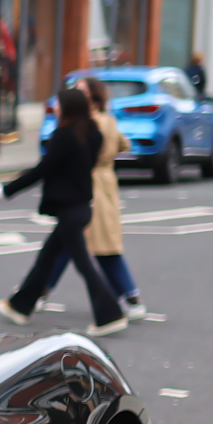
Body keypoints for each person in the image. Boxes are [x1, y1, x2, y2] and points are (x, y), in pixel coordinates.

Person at [0, 85, 128, 334]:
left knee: (83, 264)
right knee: (46, 258)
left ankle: (110, 315)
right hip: (81, 207)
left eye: (58, 104)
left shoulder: (64, 137)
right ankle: (20, 306)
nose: (54, 108)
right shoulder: (93, 134)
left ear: (68, 108)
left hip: (69, 211)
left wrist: (8, 190)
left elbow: (43, 170)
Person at [42, 77, 149, 319]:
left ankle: (130, 297)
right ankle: (40, 290)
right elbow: (125, 144)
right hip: (103, 183)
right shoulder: (108, 121)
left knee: (99, 246)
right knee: (69, 242)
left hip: (92, 185)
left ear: (92, 96)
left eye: (81, 90)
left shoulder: (91, 124)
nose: (76, 94)